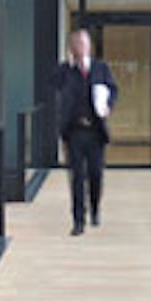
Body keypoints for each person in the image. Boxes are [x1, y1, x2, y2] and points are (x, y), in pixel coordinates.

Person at [53, 28, 117, 236]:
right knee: (77, 177)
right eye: (76, 44)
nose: (80, 47)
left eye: (83, 43)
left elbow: (113, 89)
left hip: (96, 131)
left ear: (89, 46)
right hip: (74, 132)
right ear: (71, 47)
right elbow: (53, 84)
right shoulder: (65, 71)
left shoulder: (101, 68)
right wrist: (68, 65)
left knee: (95, 174)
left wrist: (108, 105)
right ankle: (78, 220)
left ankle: (95, 208)